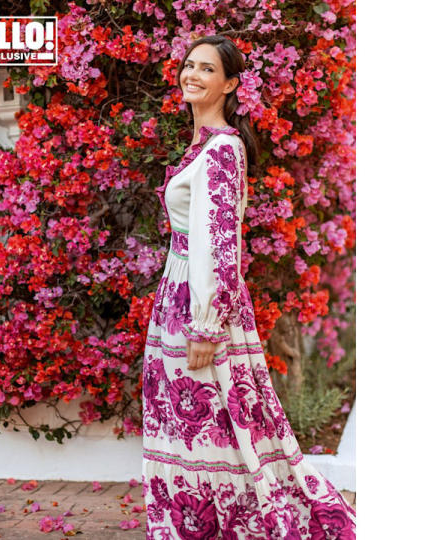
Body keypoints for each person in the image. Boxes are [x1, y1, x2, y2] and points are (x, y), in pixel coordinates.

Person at [142, 34, 358, 538]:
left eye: (207, 69)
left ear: (231, 84)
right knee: (203, 424)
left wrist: (206, 324)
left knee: (213, 421)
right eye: (188, 66)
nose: (192, 75)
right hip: (181, 295)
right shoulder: (204, 148)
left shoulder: (223, 150)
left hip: (199, 306)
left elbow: (218, 243)